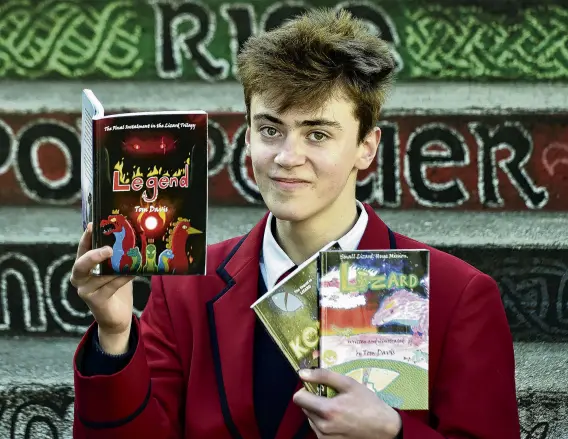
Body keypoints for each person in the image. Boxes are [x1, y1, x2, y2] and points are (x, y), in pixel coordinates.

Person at [70, 8, 520, 439]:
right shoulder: (186, 286)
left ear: (367, 146)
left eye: (318, 134)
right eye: (270, 129)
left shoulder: (454, 294)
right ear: (247, 135)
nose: (287, 157)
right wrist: (114, 334)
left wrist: (395, 433)